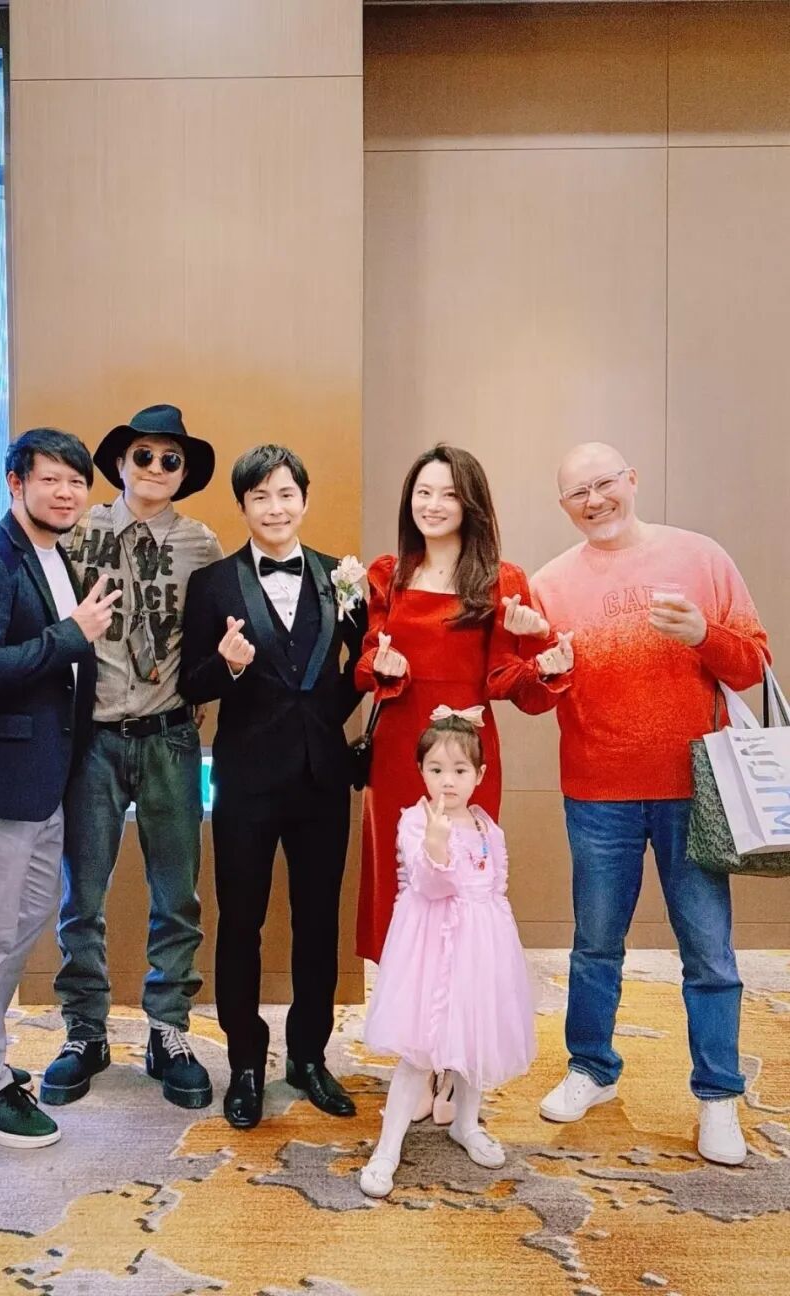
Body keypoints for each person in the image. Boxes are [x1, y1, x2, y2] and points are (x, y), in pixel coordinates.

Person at [531, 442, 769, 1166]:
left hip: (694, 787)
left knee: (708, 950)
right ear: (564, 505)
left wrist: (704, 635)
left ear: (632, 481)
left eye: (605, 483)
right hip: (597, 789)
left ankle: (718, 1095)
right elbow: (538, 694)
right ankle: (590, 1069)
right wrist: (544, 674)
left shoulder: (701, 557)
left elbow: (755, 662)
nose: (595, 499)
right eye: (578, 492)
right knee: (595, 944)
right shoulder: (548, 584)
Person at [0, 428, 120, 1148]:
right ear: (15, 483)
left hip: (48, 783)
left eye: (77, 483)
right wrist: (70, 636)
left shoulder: (55, 557)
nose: (66, 493)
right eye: (51, 481)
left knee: (29, 913)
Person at [179, 445, 367, 1129]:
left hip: (323, 777)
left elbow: (360, 670)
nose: (276, 508)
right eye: (260, 497)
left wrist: (329, 715)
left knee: (319, 924)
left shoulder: (341, 577)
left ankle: (309, 1057)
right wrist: (225, 668)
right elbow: (189, 683)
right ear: (243, 506)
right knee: (241, 926)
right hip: (246, 781)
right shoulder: (213, 585)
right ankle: (246, 1063)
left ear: (304, 498)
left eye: (286, 494)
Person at [42, 404, 222, 1110]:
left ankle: (168, 1029)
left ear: (182, 474)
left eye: (169, 460)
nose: (154, 470)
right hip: (92, 738)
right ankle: (84, 1028)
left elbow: (210, 636)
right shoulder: (76, 532)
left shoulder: (201, 544)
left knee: (176, 893)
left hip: (172, 736)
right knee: (81, 892)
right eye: (142, 457)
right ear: (118, 464)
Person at [355, 444, 573, 964]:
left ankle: (458, 1008)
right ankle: (408, 1014)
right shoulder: (387, 574)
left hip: (467, 753)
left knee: (461, 875)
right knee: (402, 870)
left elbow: (508, 683)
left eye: (448, 494)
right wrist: (381, 668)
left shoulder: (503, 580)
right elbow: (366, 663)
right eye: (423, 493)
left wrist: (544, 655)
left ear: (470, 504)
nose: (432, 505)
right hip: (398, 748)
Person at [359, 708, 535, 1197]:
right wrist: (436, 843)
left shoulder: (485, 826)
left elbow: (496, 886)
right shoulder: (415, 822)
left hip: (481, 947)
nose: (448, 781)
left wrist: (498, 945)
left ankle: (466, 1122)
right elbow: (431, 886)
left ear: (480, 775)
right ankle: (387, 1147)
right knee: (419, 1050)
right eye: (436, 770)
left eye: (460, 771)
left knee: (474, 1039)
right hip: (430, 949)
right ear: (421, 772)